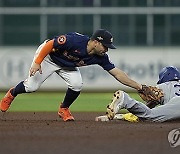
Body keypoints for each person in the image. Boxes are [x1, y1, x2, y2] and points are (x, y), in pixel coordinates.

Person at [0, 29, 142, 122]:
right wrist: (37, 62)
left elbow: (117, 73)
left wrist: (139, 87)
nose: (106, 50)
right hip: (48, 58)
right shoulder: (75, 40)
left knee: (76, 84)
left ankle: (64, 109)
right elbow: (50, 44)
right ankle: (12, 93)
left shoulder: (101, 57)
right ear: (96, 42)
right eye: (105, 46)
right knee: (31, 87)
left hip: (67, 65)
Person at [100, 66, 180, 122]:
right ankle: (125, 100)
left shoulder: (162, 87)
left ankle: (126, 101)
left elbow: (146, 110)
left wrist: (127, 116)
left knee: (150, 116)